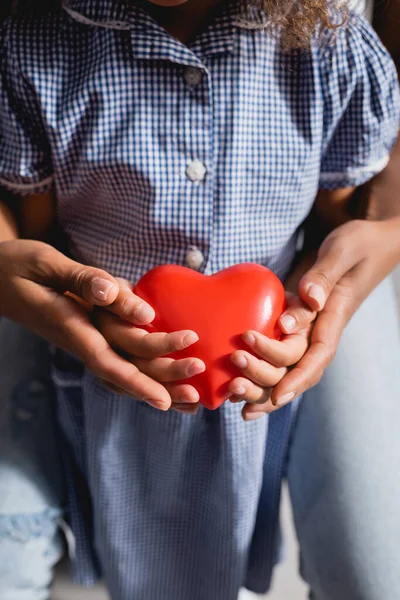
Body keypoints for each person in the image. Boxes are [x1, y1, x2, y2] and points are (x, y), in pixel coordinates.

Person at [0, 1, 399, 600]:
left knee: (378, 571)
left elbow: (340, 207)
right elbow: (38, 226)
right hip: (82, 322)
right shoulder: (29, 46)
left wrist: (362, 249)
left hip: (278, 315)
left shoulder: (332, 47)